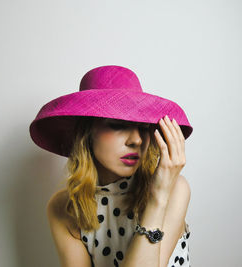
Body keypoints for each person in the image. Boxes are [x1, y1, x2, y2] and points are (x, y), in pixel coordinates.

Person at [29, 65, 193, 267]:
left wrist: (158, 198)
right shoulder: (64, 207)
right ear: (86, 133)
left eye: (143, 127)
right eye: (117, 124)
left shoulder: (173, 189)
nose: (137, 140)